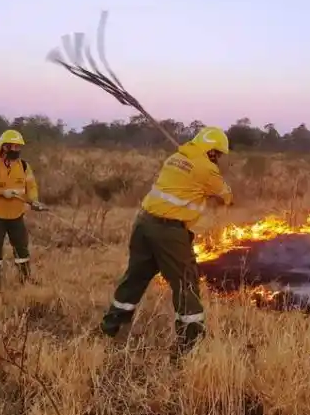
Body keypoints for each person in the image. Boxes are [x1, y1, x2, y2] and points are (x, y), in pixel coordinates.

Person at [99, 125, 233, 355]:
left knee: (135, 277)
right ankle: (191, 342)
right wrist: (221, 187)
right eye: (218, 154)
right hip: (169, 231)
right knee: (186, 282)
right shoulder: (207, 170)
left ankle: (110, 327)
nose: (218, 158)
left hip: (144, 224)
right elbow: (226, 197)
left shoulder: (176, 157)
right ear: (211, 151)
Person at [0, 129, 46, 289]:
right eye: (14, 146)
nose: (17, 150)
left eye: (19, 147)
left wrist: (34, 201)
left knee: (21, 246)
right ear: (4, 147)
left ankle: (25, 279)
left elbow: (31, 186)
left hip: (16, 215)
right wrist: (1, 192)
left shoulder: (24, 166)